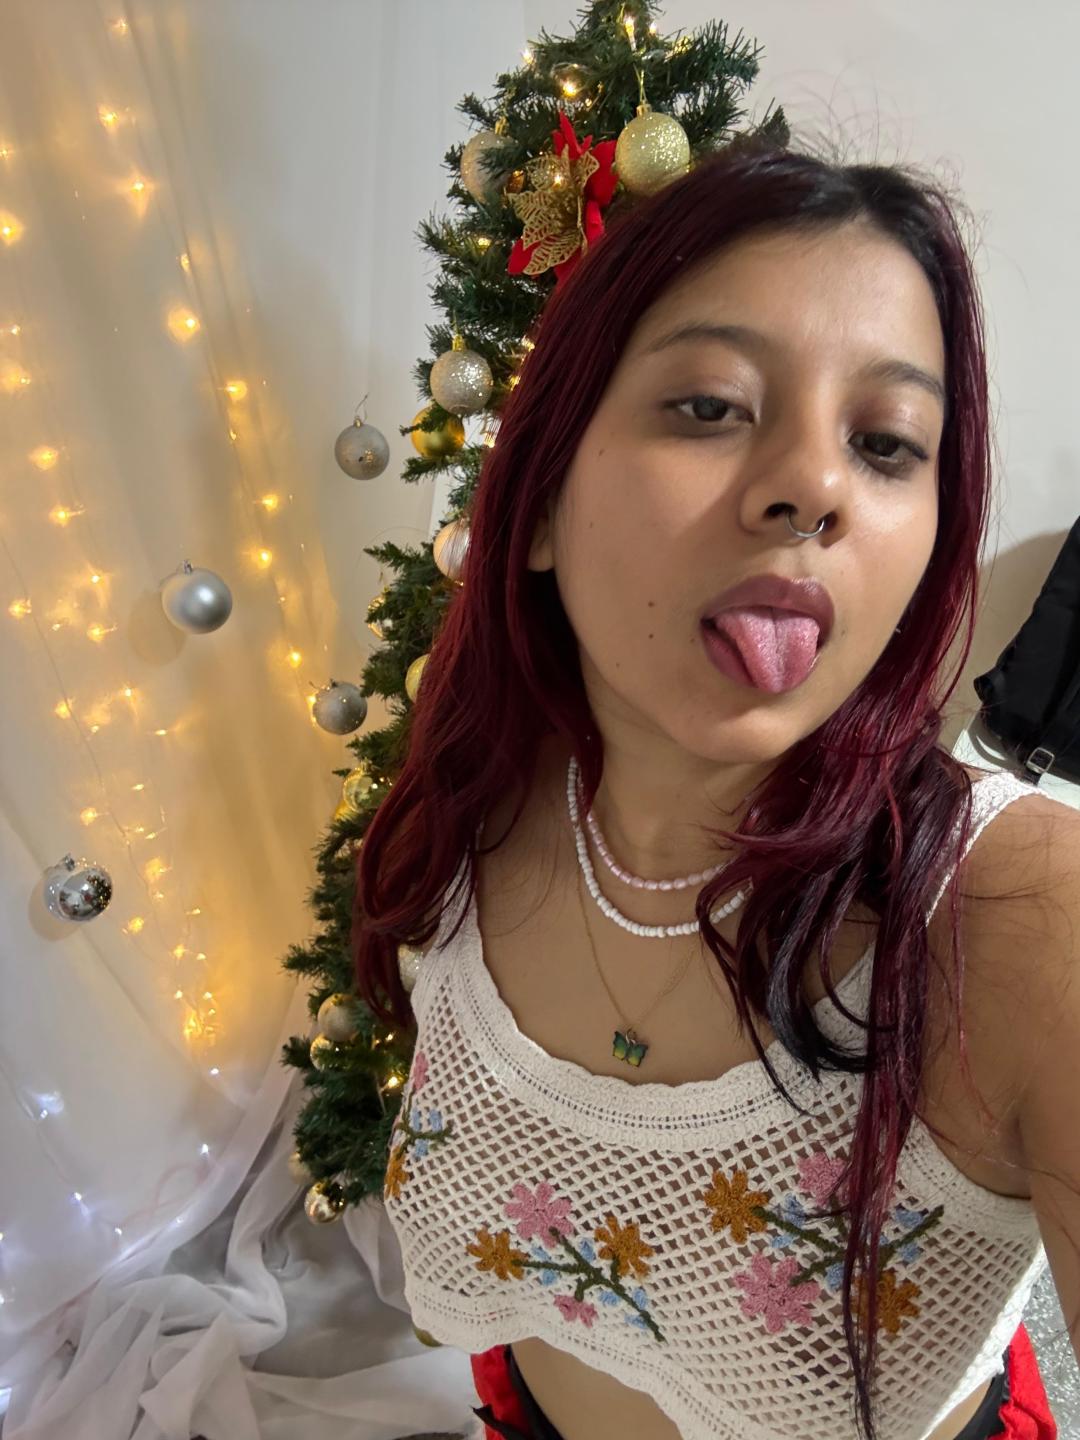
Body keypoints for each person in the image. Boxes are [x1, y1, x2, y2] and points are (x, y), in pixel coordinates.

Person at [358, 140, 1080, 1439]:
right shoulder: (479, 786)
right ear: (538, 505)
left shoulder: (1028, 917)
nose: (813, 489)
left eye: (886, 443)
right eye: (709, 407)